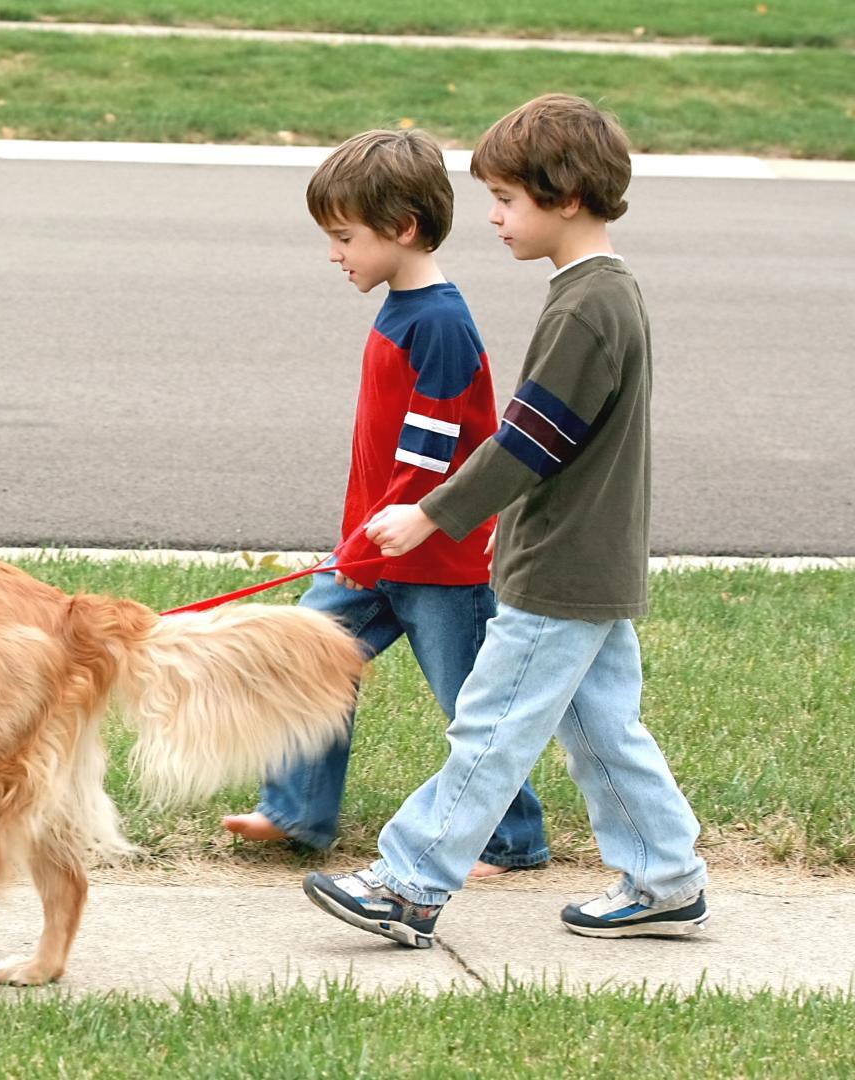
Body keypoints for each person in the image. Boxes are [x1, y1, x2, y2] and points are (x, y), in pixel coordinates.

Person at [304, 94, 709, 948]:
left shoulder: (587, 307)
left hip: (562, 566)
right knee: (603, 729)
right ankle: (666, 877)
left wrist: (430, 515)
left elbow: (530, 440)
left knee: (491, 726)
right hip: (587, 562)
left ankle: (409, 883)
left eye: (507, 200)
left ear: (565, 199)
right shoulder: (598, 293)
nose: (492, 217)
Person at [220, 128, 548, 879]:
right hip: (373, 552)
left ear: (402, 229)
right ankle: (298, 811)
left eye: (344, 237)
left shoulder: (437, 322)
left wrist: (374, 543)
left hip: (436, 560)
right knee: (306, 660)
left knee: (474, 705)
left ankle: (514, 838)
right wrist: (361, 546)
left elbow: (426, 462)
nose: (335, 253)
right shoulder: (405, 307)